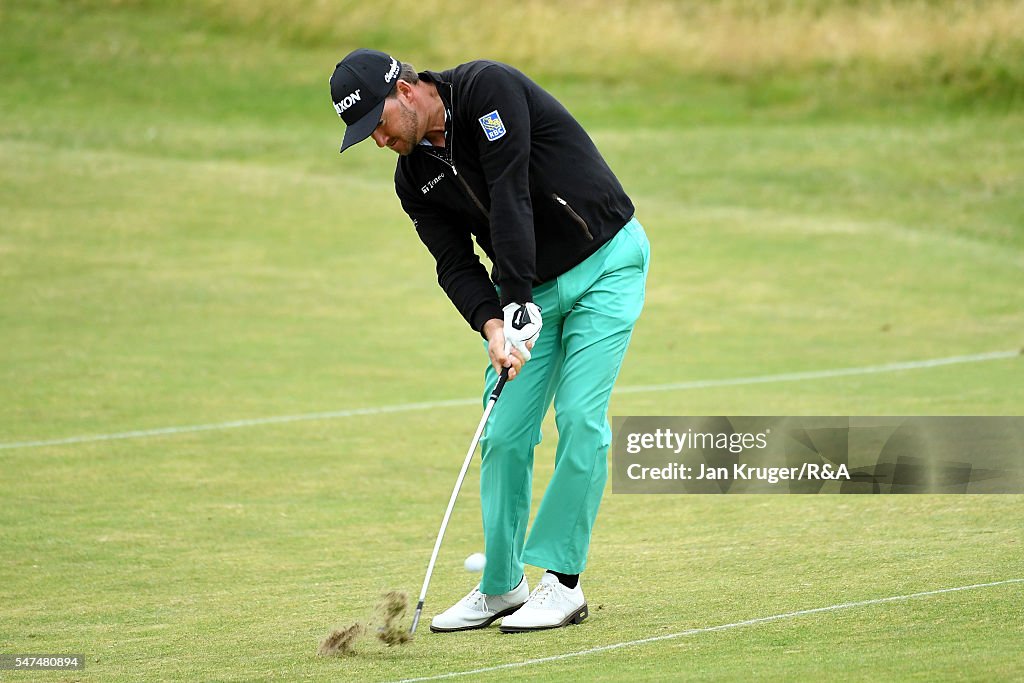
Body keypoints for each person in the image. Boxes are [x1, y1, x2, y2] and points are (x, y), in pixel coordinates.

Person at [330, 48, 650, 633]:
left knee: (579, 416)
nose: (377, 140)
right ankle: (502, 586)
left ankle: (563, 584)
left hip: (606, 260)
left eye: (376, 123)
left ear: (404, 90)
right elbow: (454, 263)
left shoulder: (487, 88)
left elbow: (511, 191)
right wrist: (494, 324)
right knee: (502, 432)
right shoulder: (412, 179)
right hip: (526, 295)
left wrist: (518, 295)